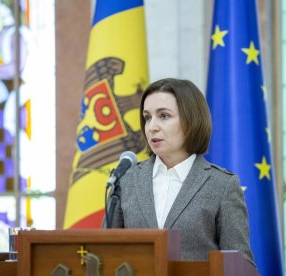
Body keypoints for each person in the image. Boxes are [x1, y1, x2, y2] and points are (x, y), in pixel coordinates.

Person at [107, 78, 255, 265]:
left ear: (191, 120)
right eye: (147, 117)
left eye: (164, 116)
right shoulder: (126, 181)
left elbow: (240, 265)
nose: (152, 127)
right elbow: (107, 256)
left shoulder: (222, 185)